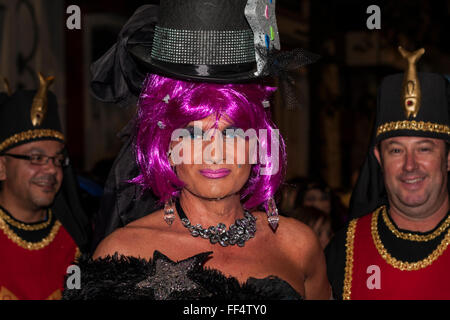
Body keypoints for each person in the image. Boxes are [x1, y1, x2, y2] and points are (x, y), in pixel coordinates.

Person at [63, 0, 330, 300]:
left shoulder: (298, 246)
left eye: (231, 132)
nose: (214, 152)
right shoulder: (122, 253)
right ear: (165, 145)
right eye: (192, 133)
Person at [325, 47, 450, 299]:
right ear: (379, 158)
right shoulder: (343, 250)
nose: (410, 165)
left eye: (424, 149)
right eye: (396, 150)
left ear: (448, 159)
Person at [0, 73, 92, 299]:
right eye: (36, 158)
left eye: (58, 159)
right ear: (2, 167)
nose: (52, 169)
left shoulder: (74, 243)